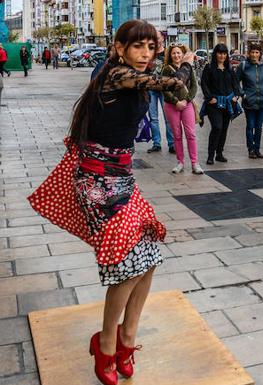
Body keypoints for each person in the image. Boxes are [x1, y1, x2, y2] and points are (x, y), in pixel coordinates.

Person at [27, 20, 192, 385]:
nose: (146, 55)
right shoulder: (115, 75)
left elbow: (173, 91)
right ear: (119, 48)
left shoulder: (132, 78)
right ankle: (104, 343)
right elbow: (167, 84)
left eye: (151, 47)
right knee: (127, 262)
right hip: (96, 182)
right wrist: (180, 69)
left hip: (123, 177)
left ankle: (127, 338)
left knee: (149, 256)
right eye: (138, 47)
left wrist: (178, 77)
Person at [162, 43, 203, 174]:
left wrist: (186, 100)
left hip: (187, 105)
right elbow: (165, 89)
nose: (176, 55)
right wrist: (176, 102)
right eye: (174, 53)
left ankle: (195, 163)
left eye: (179, 52)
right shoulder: (166, 69)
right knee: (177, 135)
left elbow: (194, 87)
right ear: (170, 55)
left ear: (183, 54)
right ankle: (180, 162)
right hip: (172, 106)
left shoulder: (188, 68)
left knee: (190, 134)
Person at [201, 43, 241, 165]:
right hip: (214, 104)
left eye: (224, 53)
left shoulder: (230, 69)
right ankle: (210, 155)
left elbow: (236, 85)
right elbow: (204, 84)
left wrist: (236, 96)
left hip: (228, 103)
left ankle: (219, 153)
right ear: (215, 54)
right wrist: (209, 98)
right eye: (220, 53)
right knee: (217, 127)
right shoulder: (209, 68)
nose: (222, 56)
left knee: (224, 129)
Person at [237, 43, 263, 159]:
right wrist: (243, 94)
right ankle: (251, 149)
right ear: (249, 53)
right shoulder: (243, 66)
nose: (254, 54)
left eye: (256, 52)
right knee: (250, 125)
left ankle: (257, 149)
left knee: (259, 127)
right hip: (249, 102)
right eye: (252, 52)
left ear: (260, 54)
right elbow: (235, 82)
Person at [147, 32, 175, 154]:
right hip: (151, 90)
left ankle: (172, 144)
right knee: (153, 118)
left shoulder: (168, 54)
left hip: (165, 90)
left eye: (158, 38)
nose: (157, 41)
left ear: (163, 39)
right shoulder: (149, 53)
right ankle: (156, 143)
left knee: (168, 118)